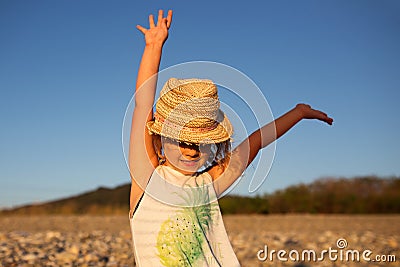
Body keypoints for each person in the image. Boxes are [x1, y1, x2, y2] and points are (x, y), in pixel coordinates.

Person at [128, 10, 333, 267]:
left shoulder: (207, 184)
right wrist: (154, 47)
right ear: (160, 140)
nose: (191, 151)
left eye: (200, 143)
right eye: (183, 140)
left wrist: (298, 113)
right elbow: (143, 103)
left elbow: (254, 143)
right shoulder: (147, 178)